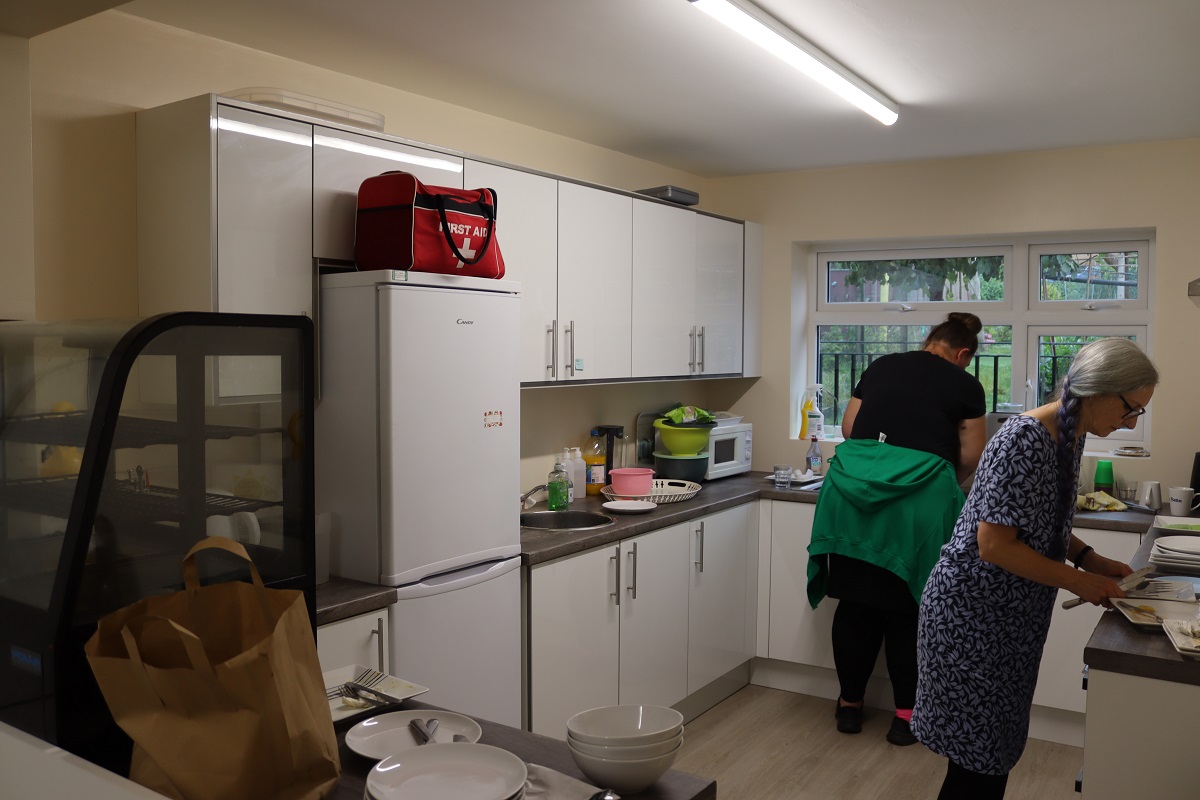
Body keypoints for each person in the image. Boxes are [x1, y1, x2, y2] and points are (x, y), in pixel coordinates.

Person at [911, 337, 1158, 799]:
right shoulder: (1025, 438)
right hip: (972, 620)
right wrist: (1083, 581)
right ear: (1100, 391)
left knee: (990, 759)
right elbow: (995, 546)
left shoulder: (1070, 433)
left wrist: (1087, 557)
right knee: (978, 767)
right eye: (1130, 409)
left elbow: (1037, 522)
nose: (1129, 423)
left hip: (1008, 621)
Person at [807, 312, 987, 746]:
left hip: (852, 497)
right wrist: (931, 475)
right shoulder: (966, 385)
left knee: (854, 604)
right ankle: (906, 717)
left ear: (930, 340)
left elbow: (850, 429)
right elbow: (972, 456)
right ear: (962, 353)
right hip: (916, 508)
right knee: (910, 610)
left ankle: (850, 706)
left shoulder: (882, 365)